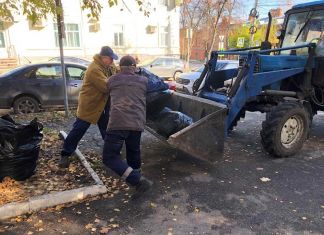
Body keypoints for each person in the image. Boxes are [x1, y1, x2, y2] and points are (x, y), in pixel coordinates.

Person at [59, 46, 118, 168]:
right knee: (79, 130)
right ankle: (65, 153)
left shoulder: (109, 66)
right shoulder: (94, 69)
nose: (112, 61)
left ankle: (111, 154)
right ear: (104, 58)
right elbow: (106, 87)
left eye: (113, 59)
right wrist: (118, 82)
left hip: (102, 105)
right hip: (90, 105)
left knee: (106, 130)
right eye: (110, 59)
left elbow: (117, 72)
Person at [102, 55, 152, 197]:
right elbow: (161, 86)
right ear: (135, 68)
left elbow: (106, 90)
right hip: (137, 122)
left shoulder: (112, 80)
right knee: (133, 151)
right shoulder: (144, 81)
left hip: (118, 123)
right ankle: (138, 180)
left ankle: (137, 181)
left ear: (119, 67)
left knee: (109, 157)